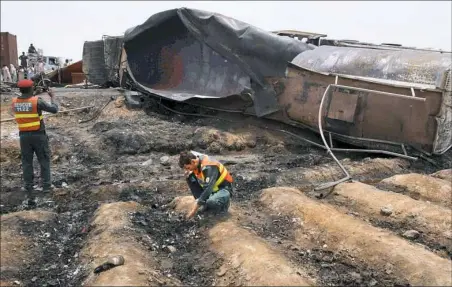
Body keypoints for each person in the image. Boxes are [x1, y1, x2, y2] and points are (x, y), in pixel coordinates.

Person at [11, 79, 59, 197]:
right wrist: (52, 97)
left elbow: (25, 100)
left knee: (26, 162)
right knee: (44, 160)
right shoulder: (37, 101)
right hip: (38, 135)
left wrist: (34, 93)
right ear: (31, 89)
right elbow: (54, 109)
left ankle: (28, 186)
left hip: (23, 137)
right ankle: (46, 187)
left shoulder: (15, 102)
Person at [179, 150, 233, 219]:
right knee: (189, 176)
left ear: (193, 161)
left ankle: (223, 207)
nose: (187, 170)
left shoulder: (209, 166)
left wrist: (194, 209)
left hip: (224, 189)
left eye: (188, 168)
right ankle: (205, 204)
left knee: (211, 201)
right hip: (213, 190)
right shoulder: (196, 161)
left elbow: (208, 188)